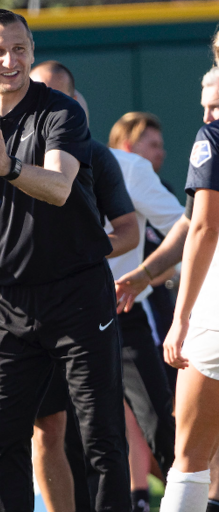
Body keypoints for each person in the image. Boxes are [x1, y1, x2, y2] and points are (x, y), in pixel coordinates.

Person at [0, 9, 131, 511]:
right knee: (1, 438)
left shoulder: (61, 112)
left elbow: (60, 186)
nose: (10, 60)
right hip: (5, 301)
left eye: (20, 48)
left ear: (31, 50)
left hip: (78, 294)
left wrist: (7, 167)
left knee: (101, 436)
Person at [26, 60, 139, 512]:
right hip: (22, 310)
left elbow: (129, 232)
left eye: (53, 94)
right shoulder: (1, 150)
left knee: (101, 430)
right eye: (37, 92)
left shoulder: (95, 153)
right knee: (44, 430)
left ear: (73, 104)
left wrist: (79, 253)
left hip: (84, 303)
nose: (42, 102)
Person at [117, 65, 219, 512]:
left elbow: (203, 228)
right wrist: (141, 275)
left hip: (210, 316)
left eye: (215, 103)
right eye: (204, 105)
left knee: (189, 456)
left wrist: (181, 319)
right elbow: (190, 220)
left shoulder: (211, 139)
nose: (208, 113)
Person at [108, 112, 183, 511]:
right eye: (152, 143)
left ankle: (184, 494)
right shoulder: (114, 172)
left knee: (155, 413)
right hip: (80, 313)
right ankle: (137, 496)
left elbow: (185, 237)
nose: (162, 151)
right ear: (129, 144)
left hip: (138, 311)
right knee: (101, 422)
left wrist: (146, 276)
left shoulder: (149, 184)